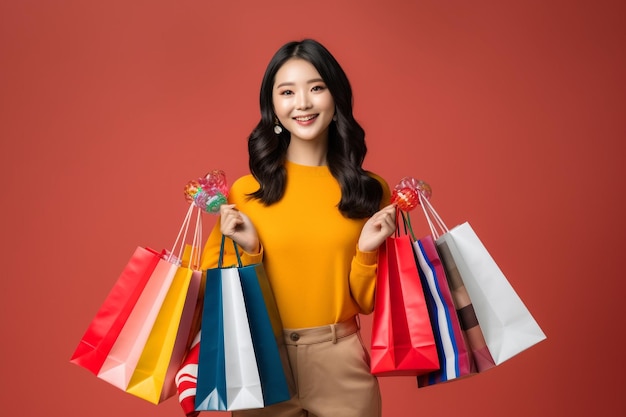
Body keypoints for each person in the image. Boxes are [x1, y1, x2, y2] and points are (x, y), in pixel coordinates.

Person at [200, 39, 396, 417]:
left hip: (340, 362)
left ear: (335, 96)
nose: (302, 103)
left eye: (316, 87)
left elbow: (370, 303)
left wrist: (367, 251)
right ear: (272, 107)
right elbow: (217, 295)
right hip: (260, 362)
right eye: (287, 92)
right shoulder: (246, 192)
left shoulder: (369, 191)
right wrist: (251, 250)